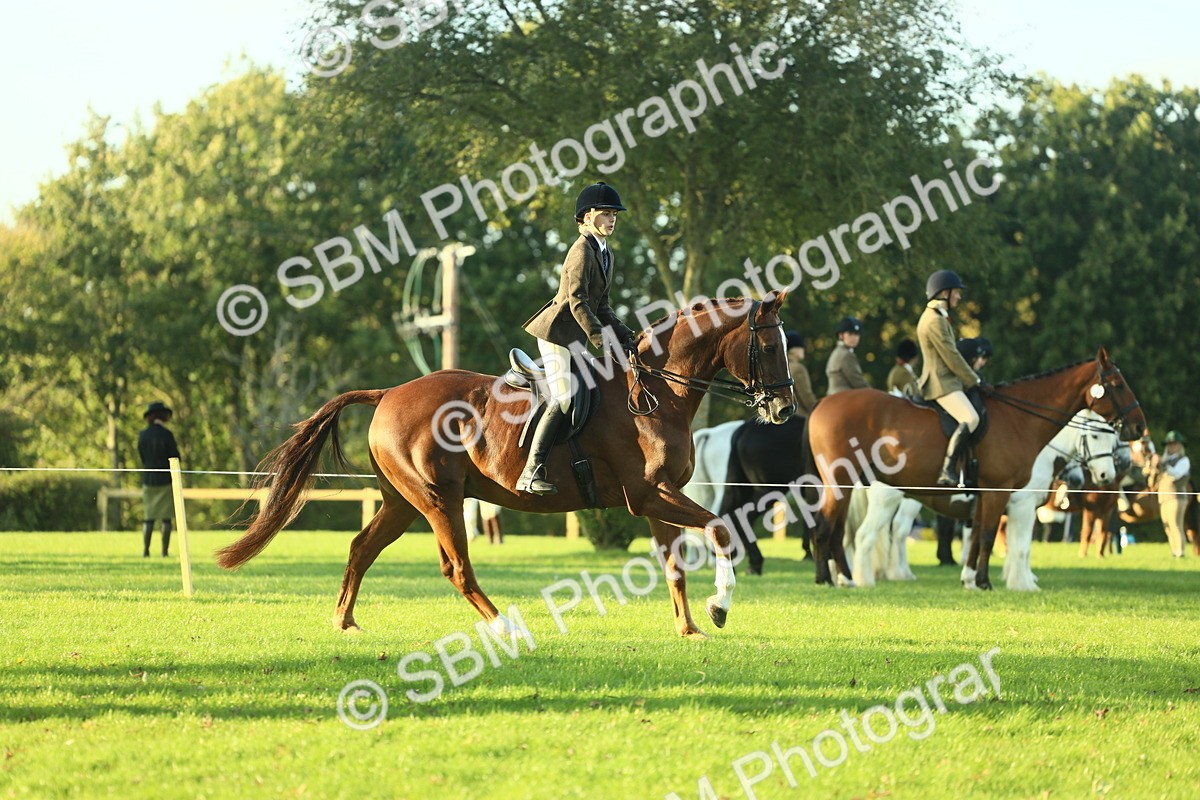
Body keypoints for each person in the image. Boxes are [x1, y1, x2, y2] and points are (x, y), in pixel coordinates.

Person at [520, 182, 638, 495]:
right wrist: (600, 338)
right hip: (558, 334)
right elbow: (577, 301)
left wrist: (626, 335)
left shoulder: (605, 252)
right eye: (605, 213)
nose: (612, 219)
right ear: (586, 217)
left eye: (614, 214)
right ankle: (531, 471)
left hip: (577, 337)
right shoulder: (581, 251)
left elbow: (603, 305)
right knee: (565, 397)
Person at [917, 270, 982, 487]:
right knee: (971, 419)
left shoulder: (937, 317)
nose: (959, 297)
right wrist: (975, 380)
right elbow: (952, 357)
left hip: (947, 381)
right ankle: (947, 469)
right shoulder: (934, 320)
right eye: (956, 292)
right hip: (941, 383)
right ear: (945, 293)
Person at [138, 401, 180, 557]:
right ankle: (164, 552)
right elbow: (175, 457)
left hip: (148, 479)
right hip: (165, 480)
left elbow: (142, 457)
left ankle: (146, 551)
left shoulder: (142, 435)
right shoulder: (167, 435)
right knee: (166, 518)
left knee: (148, 517)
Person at [1152, 431, 1191, 557]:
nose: (1171, 447)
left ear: (1180, 446)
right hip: (1163, 498)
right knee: (1167, 527)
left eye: (1174, 444)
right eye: (1169, 444)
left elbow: (1176, 474)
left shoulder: (1184, 460)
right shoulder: (1165, 460)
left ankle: (1181, 552)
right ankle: (1174, 552)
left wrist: (1163, 464)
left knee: (1176, 525)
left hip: (1177, 497)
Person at [825, 316, 868, 395]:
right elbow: (858, 382)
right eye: (850, 334)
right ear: (841, 335)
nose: (854, 338)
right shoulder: (847, 355)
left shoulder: (836, 352)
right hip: (844, 398)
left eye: (857, 334)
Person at [785, 331, 818, 415]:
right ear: (792, 349)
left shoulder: (780, 368)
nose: (803, 349)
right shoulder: (798, 368)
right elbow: (806, 397)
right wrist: (819, 410)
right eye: (800, 346)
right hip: (799, 416)